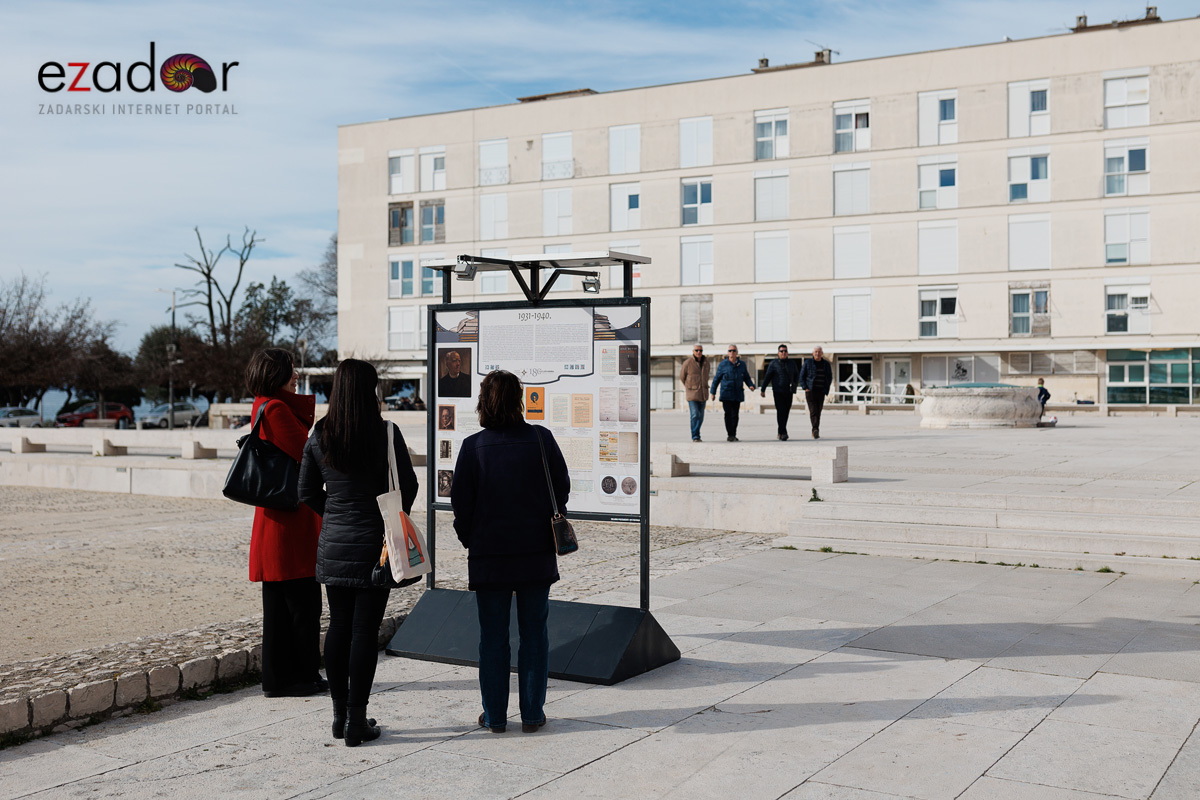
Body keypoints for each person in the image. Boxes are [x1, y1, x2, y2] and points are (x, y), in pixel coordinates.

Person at [298, 359, 418, 747]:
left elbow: (306, 492)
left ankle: (338, 717)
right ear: (371, 390)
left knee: (338, 627)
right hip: (375, 544)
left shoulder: (320, 433)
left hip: (335, 542)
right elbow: (410, 485)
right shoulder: (385, 432)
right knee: (365, 631)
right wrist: (389, 518)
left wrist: (333, 514)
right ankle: (356, 719)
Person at [451, 370, 569, 735]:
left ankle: (495, 715)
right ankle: (533, 713)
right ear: (519, 400)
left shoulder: (473, 447)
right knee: (535, 634)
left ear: (483, 402)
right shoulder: (541, 437)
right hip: (535, 551)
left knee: (493, 638)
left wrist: (473, 539)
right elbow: (561, 490)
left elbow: (461, 506)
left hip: (490, 555)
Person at [245, 348, 325, 700]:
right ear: (277, 373)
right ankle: (296, 677)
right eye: (291, 370)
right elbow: (304, 454)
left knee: (283, 606)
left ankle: (284, 677)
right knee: (301, 605)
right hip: (289, 522)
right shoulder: (276, 409)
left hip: (278, 519)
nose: (296, 375)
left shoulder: (266, 404)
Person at [710, 344, 755, 442]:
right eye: (730, 351)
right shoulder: (723, 364)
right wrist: (713, 392)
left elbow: (746, 377)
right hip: (726, 393)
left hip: (737, 393)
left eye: (734, 351)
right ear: (727, 353)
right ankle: (730, 434)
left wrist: (751, 385)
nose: (732, 352)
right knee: (728, 414)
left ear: (737, 353)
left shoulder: (742, 364)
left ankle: (733, 434)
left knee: (735, 415)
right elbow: (716, 379)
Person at [760, 344, 800, 440]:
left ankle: (781, 431)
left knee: (786, 412)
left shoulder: (792, 363)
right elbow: (768, 376)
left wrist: (795, 384)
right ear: (778, 353)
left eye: (785, 351)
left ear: (787, 353)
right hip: (778, 391)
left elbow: (796, 375)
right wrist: (763, 389)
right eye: (781, 351)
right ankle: (783, 432)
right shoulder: (773, 363)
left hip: (789, 391)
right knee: (780, 411)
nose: (783, 353)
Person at [798, 345, 834, 439]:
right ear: (812, 353)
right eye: (816, 352)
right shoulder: (807, 363)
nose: (817, 353)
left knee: (818, 411)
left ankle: (815, 428)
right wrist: (805, 387)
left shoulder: (826, 364)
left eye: (819, 352)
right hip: (810, 391)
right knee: (813, 411)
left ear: (822, 353)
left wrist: (826, 388)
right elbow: (801, 376)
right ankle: (815, 429)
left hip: (821, 391)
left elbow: (829, 377)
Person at [678, 344, 710, 442]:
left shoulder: (706, 362)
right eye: (696, 350)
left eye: (700, 350)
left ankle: (697, 432)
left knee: (700, 416)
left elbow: (706, 376)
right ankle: (695, 436)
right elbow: (682, 377)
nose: (699, 352)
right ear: (693, 351)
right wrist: (689, 386)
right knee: (695, 414)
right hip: (692, 394)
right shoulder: (687, 363)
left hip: (703, 394)